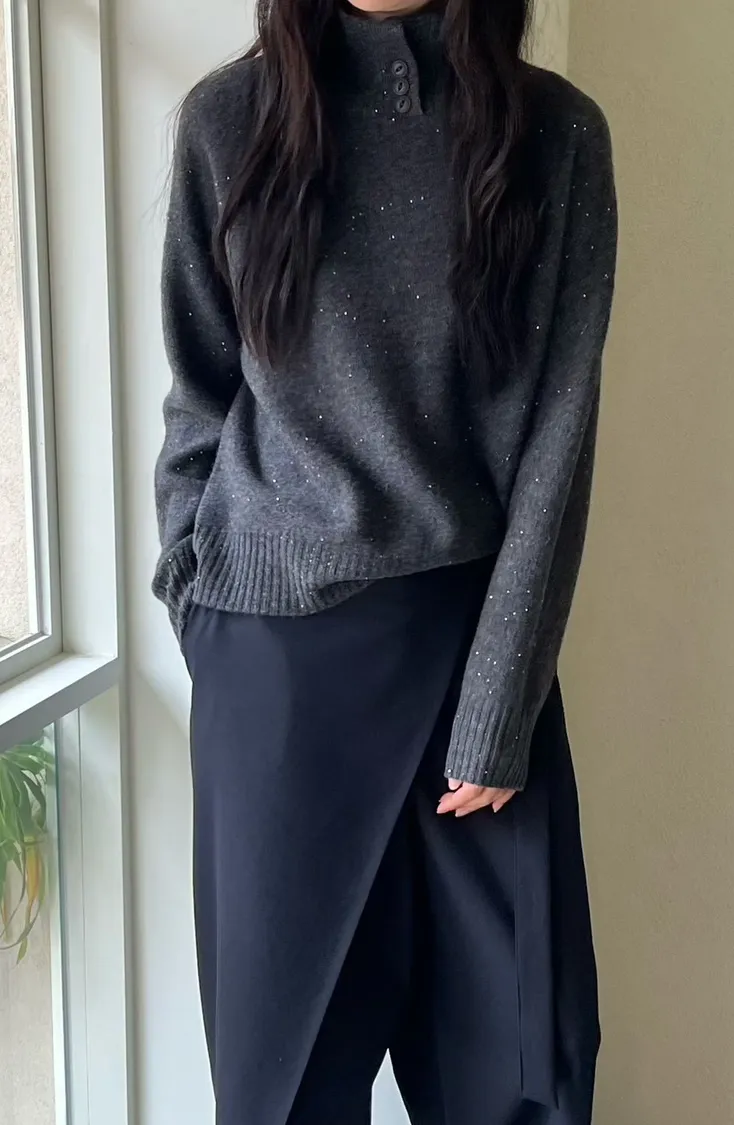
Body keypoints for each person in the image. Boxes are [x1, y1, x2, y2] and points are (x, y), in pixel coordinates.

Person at [152, 0, 617, 1120]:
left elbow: (556, 440)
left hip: (471, 663)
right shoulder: (229, 121)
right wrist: (197, 597)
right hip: (275, 675)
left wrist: (498, 707)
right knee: (286, 1089)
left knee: (524, 1075)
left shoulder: (555, 135)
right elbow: (199, 393)